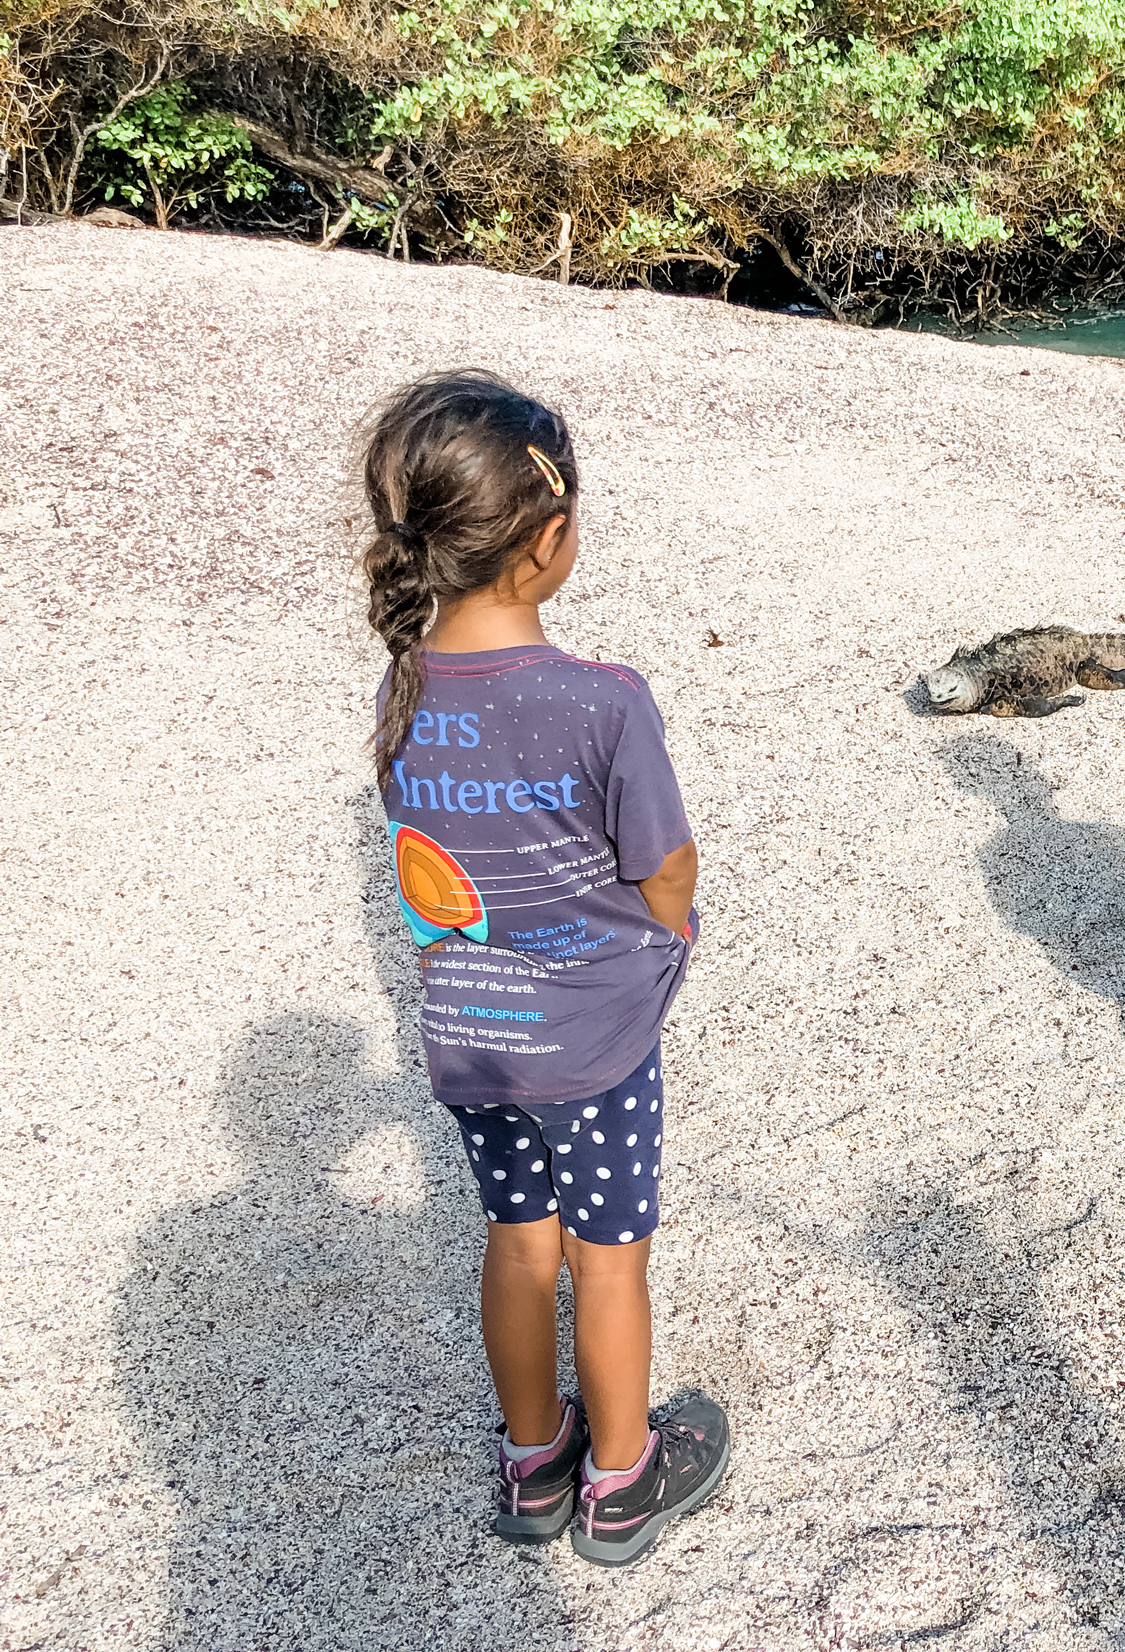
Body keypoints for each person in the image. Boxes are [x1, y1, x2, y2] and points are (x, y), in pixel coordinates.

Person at [361, 370, 729, 1564]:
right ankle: (623, 1479)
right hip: (594, 1039)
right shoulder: (602, 701)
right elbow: (663, 862)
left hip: (473, 1031)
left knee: (519, 1242)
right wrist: (666, 937)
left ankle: (535, 1465)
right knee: (609, 1259)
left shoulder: (404, 686)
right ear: (550, 537)